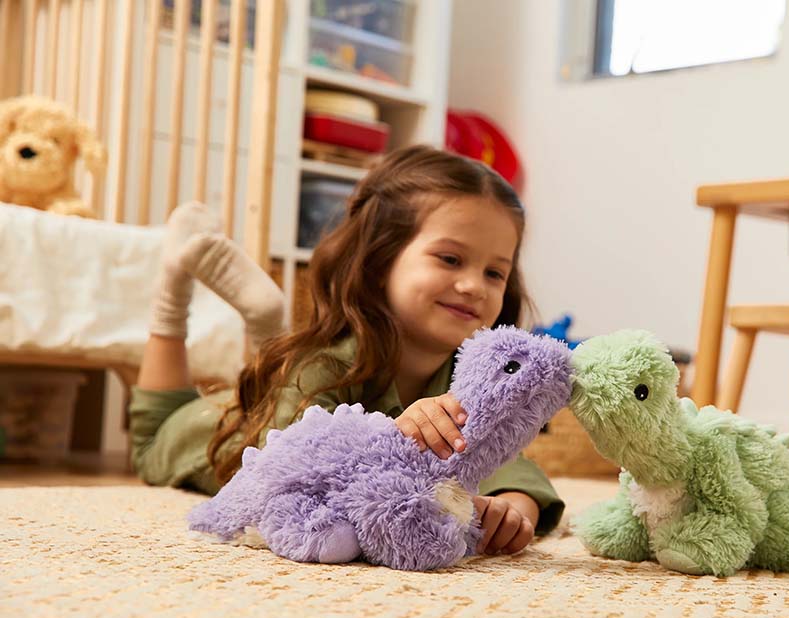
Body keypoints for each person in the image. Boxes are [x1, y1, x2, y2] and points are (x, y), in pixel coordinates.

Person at [130, 146, 564, 557]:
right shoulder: (328, 365)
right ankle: (174, 282)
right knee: (150, 435)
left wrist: (513, 504)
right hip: (197, 434)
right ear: (380, 264)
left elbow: (507, 456)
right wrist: (395, 436)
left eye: (494, 272)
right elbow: (289, 472)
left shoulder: (468, 380)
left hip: (268, 398)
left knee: (281, 377)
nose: (473, 286)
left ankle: (267, 340)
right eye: (450, 259)